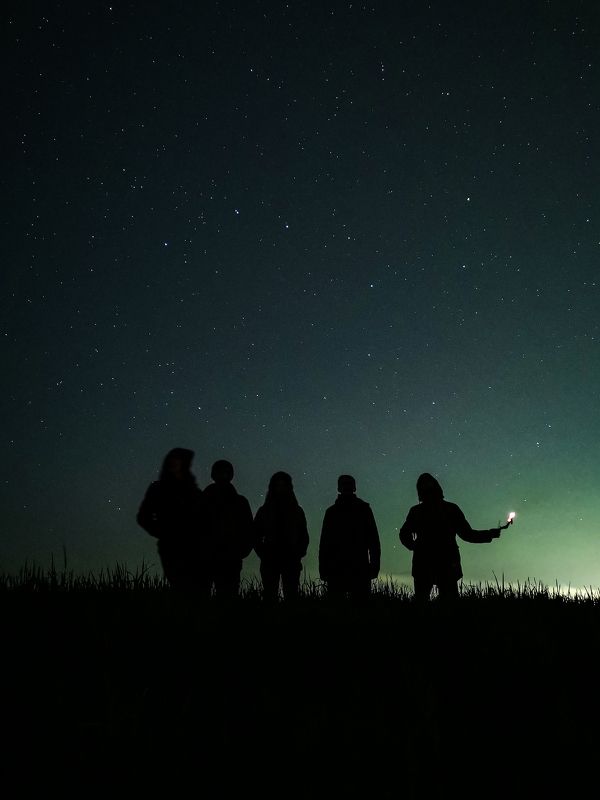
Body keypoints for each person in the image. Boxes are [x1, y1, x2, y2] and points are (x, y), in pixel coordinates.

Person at [399, 472, 507, 601]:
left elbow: (404, 533)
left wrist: (414, 546)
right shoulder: (450, 509)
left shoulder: (418, 511)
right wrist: (490, 534)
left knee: (424, 602)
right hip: (444, 562)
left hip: (428, 562)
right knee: (447, 604)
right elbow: (467, 534)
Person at [136, 447, 206, 592]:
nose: (175, 463)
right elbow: (143, 517)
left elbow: (205, 519)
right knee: (180, 586)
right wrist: (163, 532)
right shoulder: (158, 489)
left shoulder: (194, 491)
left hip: (195, 548)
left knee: (197, 588)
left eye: (179, 460)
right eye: (173, 460)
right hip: (171, 547)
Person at [319, 475, 381, 600]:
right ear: (339, 488)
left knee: (358, 606)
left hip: (357, 567)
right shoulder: (332, 512)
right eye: (344, 484)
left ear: (354, 488)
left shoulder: (363, 510)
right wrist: (323, 569)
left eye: (348, 484)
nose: (346, 487)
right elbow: (325, 543)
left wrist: (374, 566)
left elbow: (373, 540)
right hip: (338, 568)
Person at [253, 471, 309, 601]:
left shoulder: (297, 511)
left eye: (283, 485)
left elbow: (303, 536)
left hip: (291, 559)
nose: (281, 489)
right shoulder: (265, 511)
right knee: (270, 596)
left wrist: (298, 553)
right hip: (270, 560)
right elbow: (255, 535)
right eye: (278, 485)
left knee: (291, 596)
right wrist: (264, 553)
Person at [202, 459, 254, 598]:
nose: (222, 476)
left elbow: (249, 531)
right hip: (205, 557)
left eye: (225, 473)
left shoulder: (240, 502)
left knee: (228, 598)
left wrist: (240, 552)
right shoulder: (202, 500)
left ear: (230, 475)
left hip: (230, 559)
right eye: (219, 473)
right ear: (213, 475)